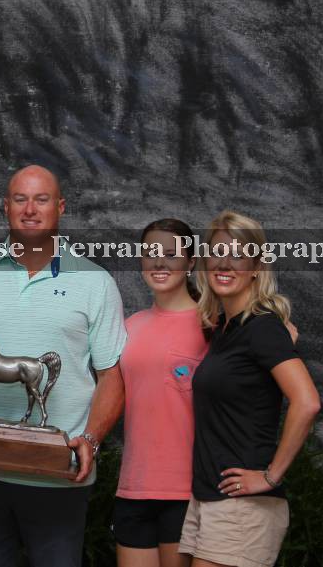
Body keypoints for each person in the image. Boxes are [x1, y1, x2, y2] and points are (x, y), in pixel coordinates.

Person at [0, 165, 127, 567]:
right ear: (6, 207)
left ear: (60, 207)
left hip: (58, 475)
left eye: (41, 199)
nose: (30, 209)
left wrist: (92, 439)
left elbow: (111, 378)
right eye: (20, 199)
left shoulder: (96, 282)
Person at [179, 210, 320, 567]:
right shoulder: (227, 330)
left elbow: (307, 403)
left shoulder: (263, 327)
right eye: (217, 253)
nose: (224, 263)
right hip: (211, 499)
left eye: (238, 254)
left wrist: (270, 476)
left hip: (242, 508)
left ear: (257, 266)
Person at [114, 219, 207, 567]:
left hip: (188, 491)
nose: (159, 262)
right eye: (151, 253)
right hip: (133, 487)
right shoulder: (128, 327)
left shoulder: (212, 325)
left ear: (190, 262)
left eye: (171, 254)